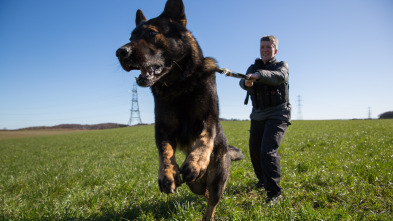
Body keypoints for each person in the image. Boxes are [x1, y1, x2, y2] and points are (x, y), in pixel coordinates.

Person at [239, 35, 291, 204]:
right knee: (254, 151)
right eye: (262, 47)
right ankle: (262, 180)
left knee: (267, 151)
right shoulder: (253, 66)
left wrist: (259, 75)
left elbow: (279, 77)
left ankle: (274, 193)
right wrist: (246, 83)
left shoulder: (282, 66)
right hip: (258, 114)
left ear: (275, 50)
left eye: (269, 47)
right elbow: (242, 80)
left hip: (278, 114)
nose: (265, 50)